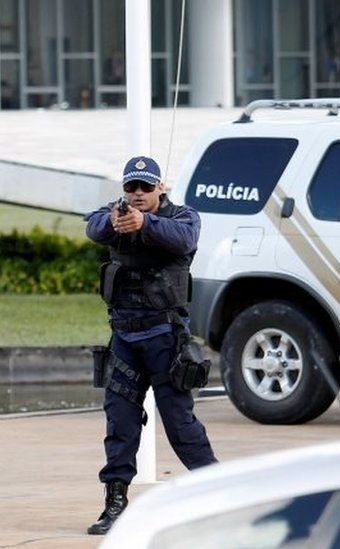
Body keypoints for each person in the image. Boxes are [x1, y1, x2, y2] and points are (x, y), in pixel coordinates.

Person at [84, 156, 217, 535]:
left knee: (181, 424)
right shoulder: (114, 215)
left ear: (161, 187)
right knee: (120, 424)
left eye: (146, 186)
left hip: (165, 338)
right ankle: (115, 503)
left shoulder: (182, 218)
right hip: (124, 339)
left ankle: (217, 495)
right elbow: (93, 227)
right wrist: (114, 220)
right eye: (131, 187)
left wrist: (145, 224)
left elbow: (184, 239)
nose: (138, 194)